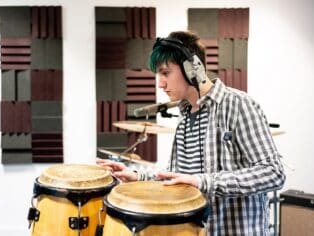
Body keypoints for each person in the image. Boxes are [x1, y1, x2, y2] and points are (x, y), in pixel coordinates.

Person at [97, 30, 286, 235]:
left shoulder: (238, 105)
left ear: (193, 67)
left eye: (165, 73)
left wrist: (202, 181)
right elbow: (178, 176)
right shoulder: (185, 114)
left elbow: (273, 173)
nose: (160, 84)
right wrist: (136, 175)